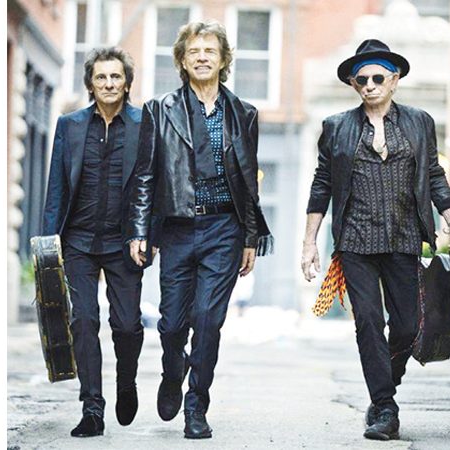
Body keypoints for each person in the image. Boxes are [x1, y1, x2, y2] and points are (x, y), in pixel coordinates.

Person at [300, 39, 450, 441]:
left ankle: (383, 387)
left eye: (378, 78)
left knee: (408, 326)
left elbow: (434, 176)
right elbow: (322, 185)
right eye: (361, 80)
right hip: (356, 240)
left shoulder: (419, 122)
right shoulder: (337, 127)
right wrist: (309, 243)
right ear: (353, 85)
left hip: (404, 236)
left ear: (394, 80)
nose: (370, 86)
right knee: (369, 321)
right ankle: (385, 407)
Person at [127, 20, 273, 439]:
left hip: (225, 228)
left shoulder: (244, 114)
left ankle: (196, 405)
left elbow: (248, 183)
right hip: (177, 228)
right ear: (182, 60)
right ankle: (172, 371)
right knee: (173, 324)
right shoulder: (160, 109)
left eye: (210, 50)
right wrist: (139, 230)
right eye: (194, 51)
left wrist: (250, 237)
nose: (202, 57)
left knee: (208, 320)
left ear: (224, 59)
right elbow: (145, 174)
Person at [42, 47, 150, 438]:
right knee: (84, 320)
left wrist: (148, 234)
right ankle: (92, 407)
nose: (108, 84)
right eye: (101, 77)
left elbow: (153, 185)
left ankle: (126, 380)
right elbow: (56, 187)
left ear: (127, 83)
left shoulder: (144, 124)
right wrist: (47, 245)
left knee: (127, 325)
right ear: (90, 83)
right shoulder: (69, 126)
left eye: (116, 77)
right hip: (78, 240)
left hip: (125, 242)